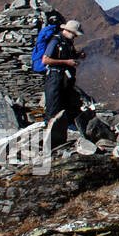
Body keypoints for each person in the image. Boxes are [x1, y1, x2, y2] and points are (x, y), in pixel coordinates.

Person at [41, 19, 87, 148]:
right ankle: (50, 138)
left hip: (64, 78)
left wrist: (77, 56)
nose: (76, 36)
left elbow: (66, 56)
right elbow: (46, 60)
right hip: (55, 77)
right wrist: (67, 63)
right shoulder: (55, 41)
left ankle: (62, 132)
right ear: (70, 31)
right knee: (53, 104)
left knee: (64, 102)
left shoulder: (67, 42)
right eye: (75, 33)